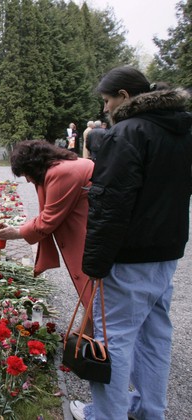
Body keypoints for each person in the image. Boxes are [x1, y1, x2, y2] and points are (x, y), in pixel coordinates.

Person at [70, 67, 192, 420]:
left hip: (130, 255)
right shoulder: (180, 130)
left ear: (124, 96)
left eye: (107, 101)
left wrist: (93, 264)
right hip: (166, 252)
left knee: (114, 338)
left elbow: (111, 205)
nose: (105, 109)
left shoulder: (127, 133)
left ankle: (105, 415)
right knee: (155, 336)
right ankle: (150, 410)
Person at [0, 140, 94, 307]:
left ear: (33, 166)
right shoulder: (60, 165)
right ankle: (89, 323)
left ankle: (94, 324)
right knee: (87, 277)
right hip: (86, 224)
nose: (27, 180)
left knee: (87, 275)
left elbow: (49, 218)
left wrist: (17, 232)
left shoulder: (61, 172)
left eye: (26, 173)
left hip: (87, 231)